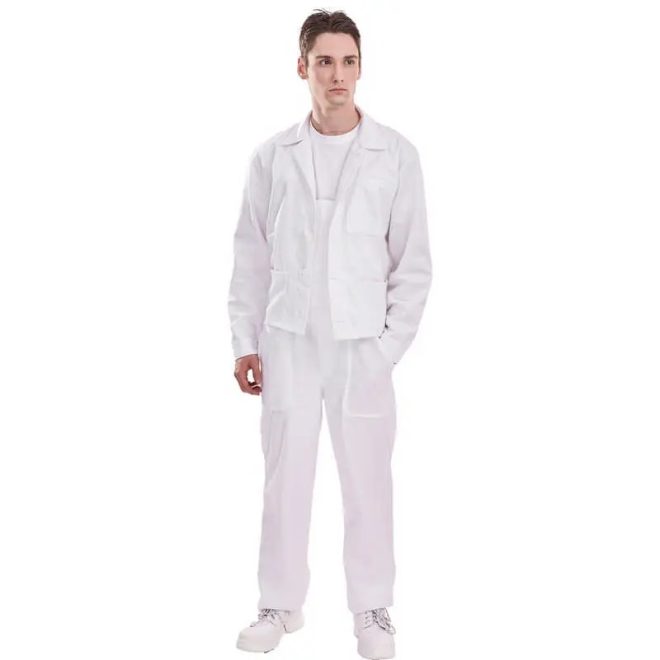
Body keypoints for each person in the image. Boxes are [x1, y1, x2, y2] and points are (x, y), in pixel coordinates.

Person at [228, 9, 432, 659]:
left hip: (360, 344)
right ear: (302, 67)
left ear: (361, 67)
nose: (337, 74)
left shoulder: (395, 155)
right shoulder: (272, 157)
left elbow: (413, 264)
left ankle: (372, 608)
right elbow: (250, 257)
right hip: (287, 338)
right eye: (324, 61)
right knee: (284, 477)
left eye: (348, 61)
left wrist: (386, 349)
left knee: (368, 480)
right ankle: (279, 603)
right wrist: (245, 341)